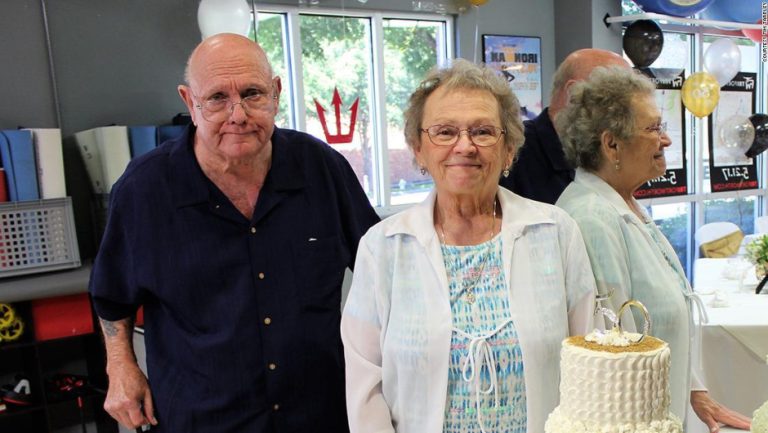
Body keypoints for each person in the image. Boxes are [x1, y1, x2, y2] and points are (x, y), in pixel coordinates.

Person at [89, 33, 379, 432]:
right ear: (190, 102)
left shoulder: (321, 169)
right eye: (217, 99)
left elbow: (382, 270)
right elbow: (112, 296)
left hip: (319, 412)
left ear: (275, 94)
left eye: (252, 93)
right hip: (203, 417)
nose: (237, 114)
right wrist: (120, 366)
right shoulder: (145, 191)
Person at [341, 58, 597, 433]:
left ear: (509, 149)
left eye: (483, 132)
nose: (465, 146)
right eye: (444, 132)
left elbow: (588, 361)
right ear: (418, 149)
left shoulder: (555, 231)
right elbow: (365, 388)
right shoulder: (383, 247)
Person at [555, 66, 751, 432]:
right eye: (654, 128)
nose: (666, 140)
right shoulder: (593, 219)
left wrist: (696, 391)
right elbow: (617, 359)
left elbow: (659, 319)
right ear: (611, 144)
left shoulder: (624, 204)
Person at [500, 48, 629, 204]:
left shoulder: (604, 153)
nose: (627, 109)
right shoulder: (512, 152)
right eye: (617, 97)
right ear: (574, 93)